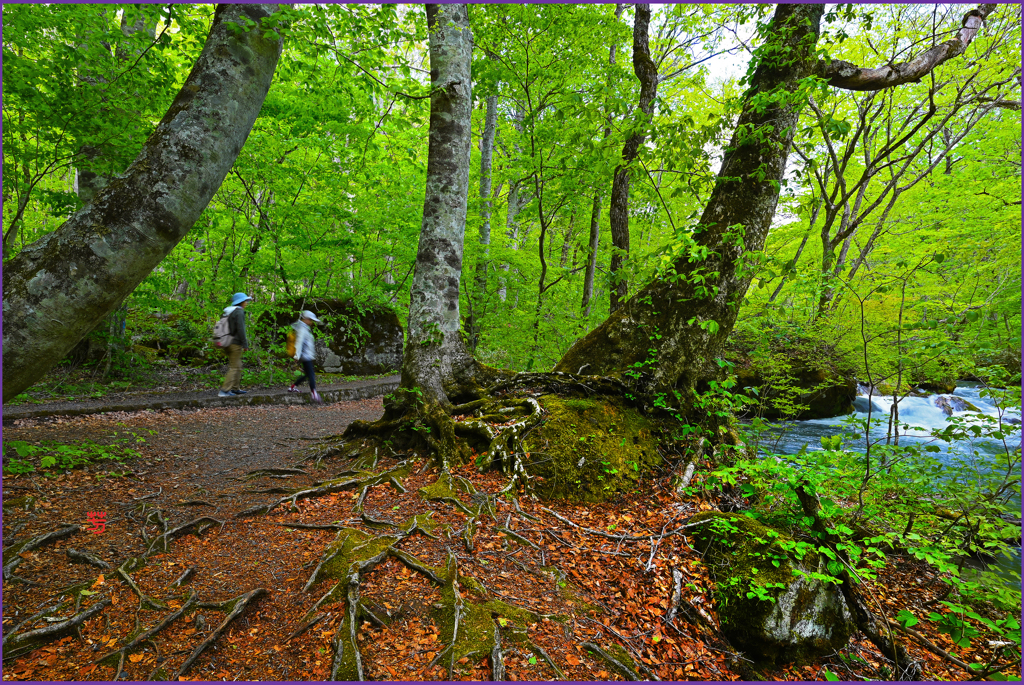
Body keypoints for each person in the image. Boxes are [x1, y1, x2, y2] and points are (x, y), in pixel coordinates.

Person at [218, 292, 252, 397]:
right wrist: (245, 344)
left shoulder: (227, 312)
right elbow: (241, 329)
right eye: (245, 301)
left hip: (225, 342)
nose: (246, 303)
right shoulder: (239, 312)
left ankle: (235, 388)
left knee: (238, 365)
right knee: (234, 367)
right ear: (241, 302)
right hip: (235, 343)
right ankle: (225, 390)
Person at [288, 310, 322, 403]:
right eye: (310, 320)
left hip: (307, 355)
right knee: (311, 375)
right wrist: (297, 356)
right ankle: (314, 394)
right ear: (306, 319)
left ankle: (292, 387)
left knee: (308, 374)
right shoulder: (302, 329)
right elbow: (299, 342)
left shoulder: (304, 328)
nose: (311, 322)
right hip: (306, 356)